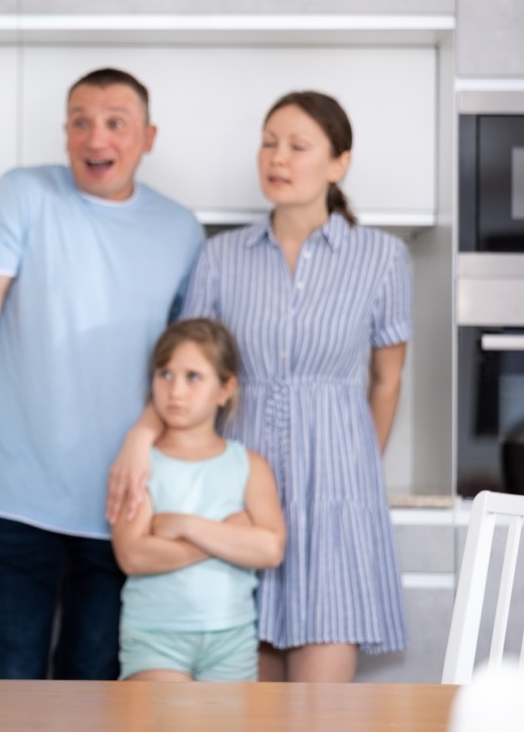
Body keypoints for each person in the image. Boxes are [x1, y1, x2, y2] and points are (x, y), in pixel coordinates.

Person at [0, 68, 205, 680]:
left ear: (147, 137)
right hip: (16, 496)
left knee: (91, 698)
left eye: (115, 123)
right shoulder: (21, 194)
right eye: (81, 121)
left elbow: (183, 370)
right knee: (7, 696)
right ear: (65, 132)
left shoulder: (181, 231)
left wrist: (144, 442)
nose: (97, 137)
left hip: (124, 505)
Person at [106, 90, 412, 682]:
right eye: (269, 142)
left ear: (338, 163)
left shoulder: (382, 259)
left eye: (298, 146)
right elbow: (185, 365)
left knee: (322, 713)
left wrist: (357, 471)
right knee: (244, 707)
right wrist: (139, 439)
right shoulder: (222, 257)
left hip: (335, 491)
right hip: (236, 491)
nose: (277, 158)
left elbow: (387, 379)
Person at [112, 318, 285, 682]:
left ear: (225, 389)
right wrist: (224, 536)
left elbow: (269, 548)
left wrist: (185, 526)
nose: (175, 390)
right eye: (165, 373)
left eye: (193, 377)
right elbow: (132, 555)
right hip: (155, 639)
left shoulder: (248, 465)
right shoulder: (141, 465)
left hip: (231, 639)